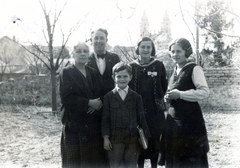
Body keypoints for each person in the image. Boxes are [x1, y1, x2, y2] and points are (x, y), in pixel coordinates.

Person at [161, 38, 210, 167]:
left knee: (189, 157)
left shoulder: (194, 68)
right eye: (172, 51)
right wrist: (169, 97)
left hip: (190, 120)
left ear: (186, 52)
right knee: (174, 155)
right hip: (173, 121)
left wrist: (181, 94)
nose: (175, 54)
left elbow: (204, 92)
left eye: (179, 51)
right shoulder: (174, 70)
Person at [59, 42, 108, 168]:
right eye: (79, 51)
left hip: (92, 123)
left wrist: (98, 103)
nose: (82, 54)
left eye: (85, 51)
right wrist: (88, 103)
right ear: (73, 54)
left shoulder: (93, 72)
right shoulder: (67, 72)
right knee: (75, 161)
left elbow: (103, 92)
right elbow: (66, 98)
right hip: (74, 124)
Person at [101, 62, 151, 168]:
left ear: (130, 77)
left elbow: (142, 118)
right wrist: (106, 138)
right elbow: (105, 119)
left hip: (132, 140)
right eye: (119, 76)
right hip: (115, 140)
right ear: (113, 77)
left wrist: (145, 136)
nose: (122, 79)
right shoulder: (108, 97)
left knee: (131, 165)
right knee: (115, 165)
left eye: (125, 76)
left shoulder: (136, 97)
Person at [128, 37, 168, 168]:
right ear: (138, 49)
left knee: (155, 140)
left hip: (154, 110)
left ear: (152, 49)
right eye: (142, 47)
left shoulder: (159, 65)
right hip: (136, 110)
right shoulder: (131, 66)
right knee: (139, 140)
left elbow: (164, 85)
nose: (145, 50)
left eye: (148, 47)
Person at [86, 28, 121, 96]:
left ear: (106, 40)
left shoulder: (114, 58)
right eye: (96, 38)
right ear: (91, 40)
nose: (99, 41)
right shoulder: (86, 60)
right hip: (93, 103)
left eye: (102, 38)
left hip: (111, 102)